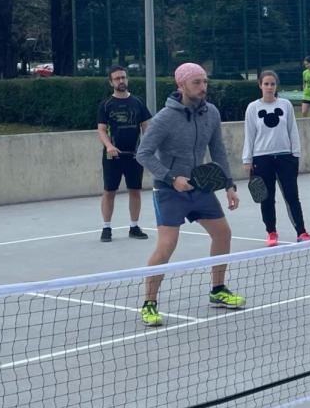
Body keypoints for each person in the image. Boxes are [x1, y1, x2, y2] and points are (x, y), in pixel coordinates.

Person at [135, 63, 244, 327]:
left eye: (204, 82)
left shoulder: (211, 113)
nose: (203, 87)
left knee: (222, 233)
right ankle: (149, 303)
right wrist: (172, 178)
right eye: (196, 82)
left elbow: (218, 151)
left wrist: (229, 184)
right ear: (181, 85)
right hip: (169, 190)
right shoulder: (164, 118)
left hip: (201, 187)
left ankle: (218, 290)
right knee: (167, 244)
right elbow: (143, 153)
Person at [243, 70, 310, 247]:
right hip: (261, 158)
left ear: (276, 86)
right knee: (267, 198)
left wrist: (295, 153)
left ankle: (301, 231)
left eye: (272, 84)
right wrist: (247, 160)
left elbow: (292, 130)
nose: (269, 87)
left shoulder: (286, 105)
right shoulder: (253, 108)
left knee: (291, 196)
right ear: (260, 85)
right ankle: (271, 232)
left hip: (285, 157)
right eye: (266, 84)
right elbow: (249, 135)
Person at [96, 66, 152, 242]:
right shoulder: (106, 104)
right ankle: (106, 228)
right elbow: (102, 130)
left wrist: (146, 148)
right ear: (111, 82)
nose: (121, 81)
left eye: (123, 77)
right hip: (113, 156)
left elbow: (146, 128)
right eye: (117, 78)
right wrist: (109, 146)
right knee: (109, 191)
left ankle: (134, 226)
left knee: (135, 190)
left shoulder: (138, 102)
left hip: (134, 156)